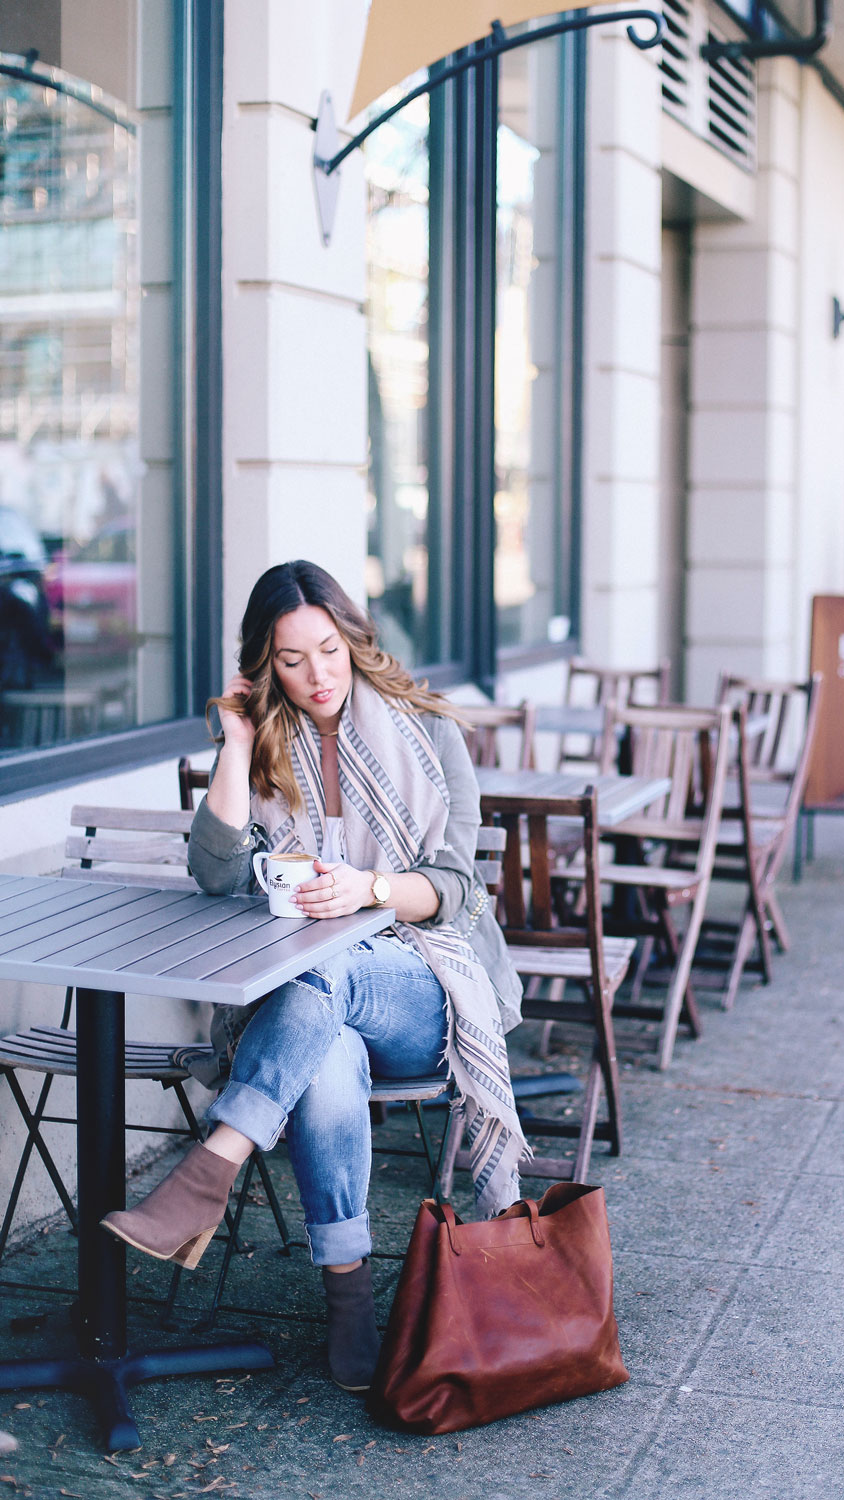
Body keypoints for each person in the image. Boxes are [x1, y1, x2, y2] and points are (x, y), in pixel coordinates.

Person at [101, 560, 525, 1392]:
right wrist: (232, 743)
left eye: (328, 651)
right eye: (291, 661)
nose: (316, 676)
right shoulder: (264, 744)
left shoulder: (429, 733)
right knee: (324, 1054)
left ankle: (210, 1165)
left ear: (353, 640)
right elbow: (217, 875)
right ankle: (350, 1308)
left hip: (421, 987)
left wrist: (367, 892)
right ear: (266, 665)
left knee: (327, 970)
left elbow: (457, 890)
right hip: (312, 1010)